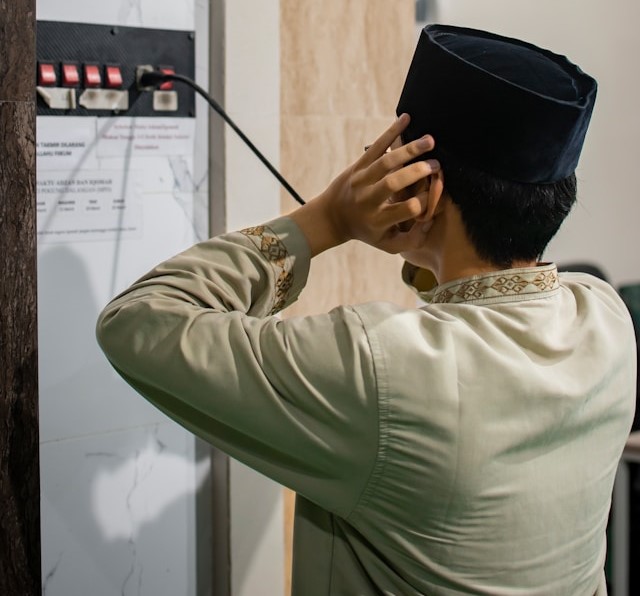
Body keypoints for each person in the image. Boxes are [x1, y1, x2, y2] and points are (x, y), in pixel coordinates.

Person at [97, 25, 636, 595]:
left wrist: (327, 219)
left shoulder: (380, 369)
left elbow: (139, 319)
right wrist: (424, 234)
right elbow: (470, 304)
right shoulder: (604, 317)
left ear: (422, 189)